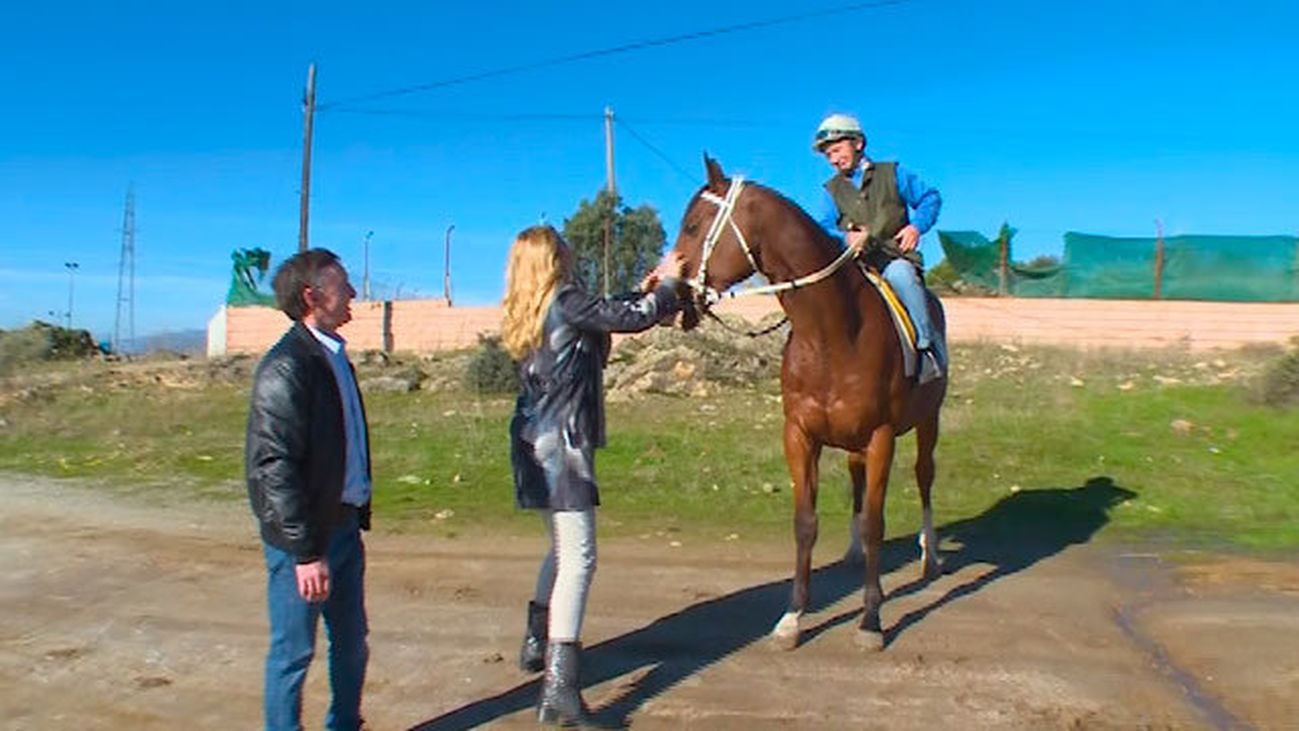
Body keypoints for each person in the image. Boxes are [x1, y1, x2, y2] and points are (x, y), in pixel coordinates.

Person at [501, 225, 684, 726]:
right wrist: (667, 285)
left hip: (531, 444)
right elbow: (636, 318)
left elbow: (608, 313)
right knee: (580, 559)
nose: (570, 249)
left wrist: (645, 291)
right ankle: (560, 687)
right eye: (562, 245)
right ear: (552, 259)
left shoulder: (537, 307)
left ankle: (538, 640)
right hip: (562, 449)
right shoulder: (566, 299)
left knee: (560, 551)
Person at [246, 248, 372, 731]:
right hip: (304, 542)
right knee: (292, 652)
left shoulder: (333, 357)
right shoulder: (286, 367)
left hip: (343, 530)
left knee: (352, 642)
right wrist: (304, 552)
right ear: (312, 296)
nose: (355, 294)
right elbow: (273, 468)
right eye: (344, 285)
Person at [813, 112, 945, 383]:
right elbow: (823, 226)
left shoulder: (893, 173)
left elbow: (930, 198)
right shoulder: (830, 191)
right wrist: (844, 239)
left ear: (858, 143)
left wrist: (915, 227)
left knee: (902, 277)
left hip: (892, 258)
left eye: (837, 150)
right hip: (854, 264)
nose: (834, 159)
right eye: (828, 156)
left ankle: (925, 350)